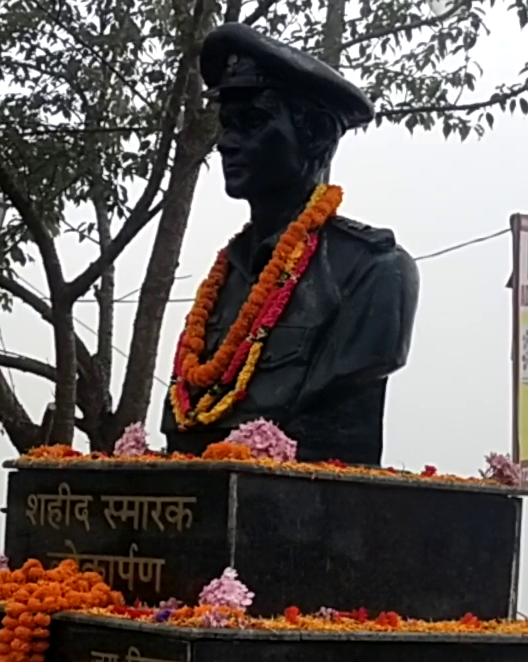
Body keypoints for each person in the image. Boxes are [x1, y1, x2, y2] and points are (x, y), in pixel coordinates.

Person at [158, 22, 418, 466]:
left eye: (252, 122)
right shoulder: (226, 277)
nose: (226, 143)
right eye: (226, 124)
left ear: (315, 134)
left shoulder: (374, 271)